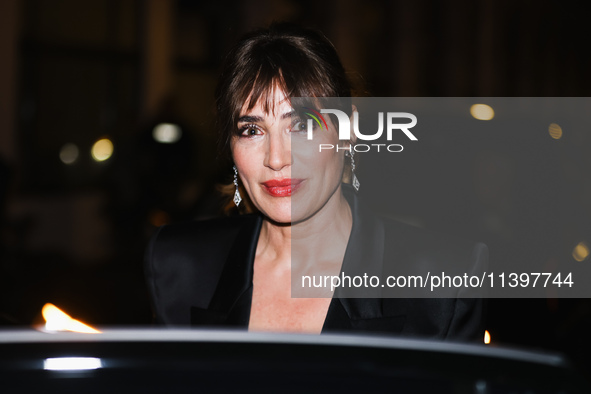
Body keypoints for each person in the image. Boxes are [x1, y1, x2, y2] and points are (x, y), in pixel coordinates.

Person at [144, 23, 487, 341]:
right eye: (252, 130)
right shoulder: (177, 267)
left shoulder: (442, 282)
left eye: (301, 125)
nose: (276, 158)